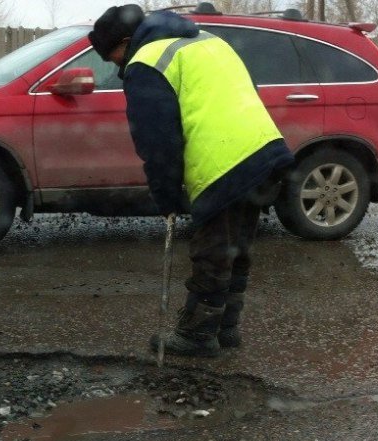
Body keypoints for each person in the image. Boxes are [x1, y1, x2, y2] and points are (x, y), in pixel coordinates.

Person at [89, 5, 295, 357]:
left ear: (127, 41)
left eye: (113, 57)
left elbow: (157, 141)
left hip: (224, 160)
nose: (115, 66)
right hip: (265, 149)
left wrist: (166, 196)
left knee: (212, 250)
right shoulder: (207, 40)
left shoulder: (147, 61)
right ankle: (226, 329)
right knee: (237, 247)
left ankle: (199, 335)